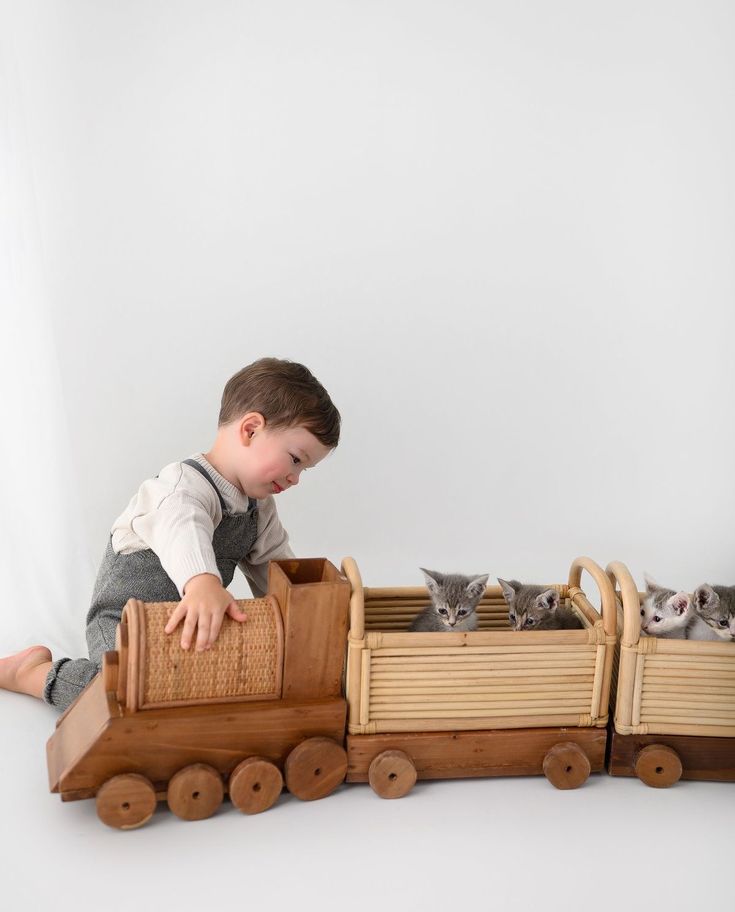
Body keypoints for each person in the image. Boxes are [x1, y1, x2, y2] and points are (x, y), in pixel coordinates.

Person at [0, 357, 340, 711]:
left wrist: (313, 605)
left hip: (186, 629)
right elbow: (183, 528)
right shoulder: (182, 487)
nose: (296, 478)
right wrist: (203, 582)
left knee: (219, 687)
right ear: (250, 429)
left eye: (305, 469)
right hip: (125, 622)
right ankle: (32, 674)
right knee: (117, 692)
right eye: (296, 460)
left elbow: (279, 570)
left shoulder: (259, 509)